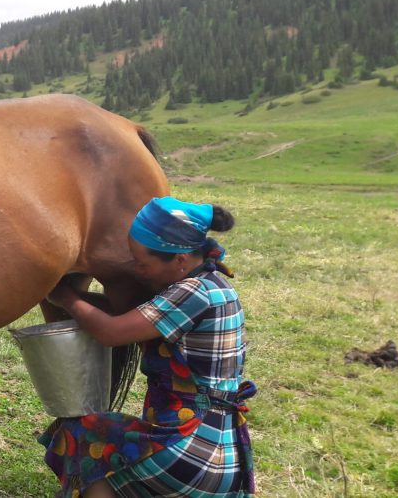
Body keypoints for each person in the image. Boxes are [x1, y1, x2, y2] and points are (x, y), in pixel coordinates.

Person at [40, 196, 256, 497]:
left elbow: (111, 331)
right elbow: (128, 318)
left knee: (80, 434)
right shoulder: (214, 285)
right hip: (218, 451)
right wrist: (78, 300)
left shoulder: (191, 293)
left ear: (179, 259)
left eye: (143, 263)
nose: (139, 271)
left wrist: (66, 297)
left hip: (191, 455)